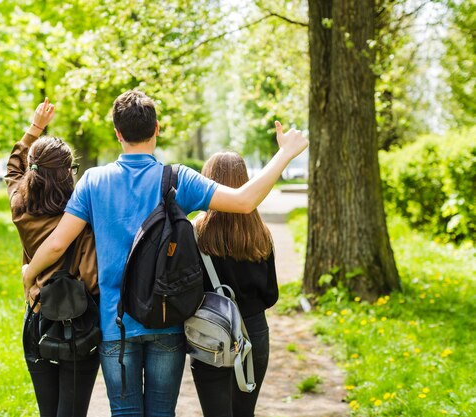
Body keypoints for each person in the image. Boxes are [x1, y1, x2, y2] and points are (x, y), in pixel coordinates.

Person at [22, 90, 308, 417]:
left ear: (117, 133)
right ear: (157, 128)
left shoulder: (93, 181)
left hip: (117, 326)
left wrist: (30, 274)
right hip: (166, 319)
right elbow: (244, 201)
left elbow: (58, 244)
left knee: (125, 412)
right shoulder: (178, 178)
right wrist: (284, 154)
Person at [5, 98, 99, 417]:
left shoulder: (20, 206)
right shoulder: (81, 214)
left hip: (37, 315)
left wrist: (35, 128)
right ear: (68, 174)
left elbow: (12, 170)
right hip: (79, 321)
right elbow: (93, 276)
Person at [191, 151, 279, 417]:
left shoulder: (197, 231)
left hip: (210, 331)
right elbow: (271, 294)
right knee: (245, 412)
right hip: (253, 330)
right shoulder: (260, 234)